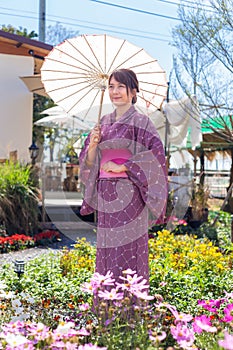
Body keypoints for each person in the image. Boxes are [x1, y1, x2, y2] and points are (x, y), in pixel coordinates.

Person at [79, 68, 167, 284]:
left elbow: (156, 157)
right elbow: (89, 163)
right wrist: (92, 145)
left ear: (133, 91)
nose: (115, 91)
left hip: (130, 194)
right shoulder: (102, 124)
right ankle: (106, 308)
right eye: (111, 86)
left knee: (128, 249)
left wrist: (124, 166)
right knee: (107, 249)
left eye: (120, 86)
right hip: (106, 194)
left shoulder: (142, 122)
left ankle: (130, 306)